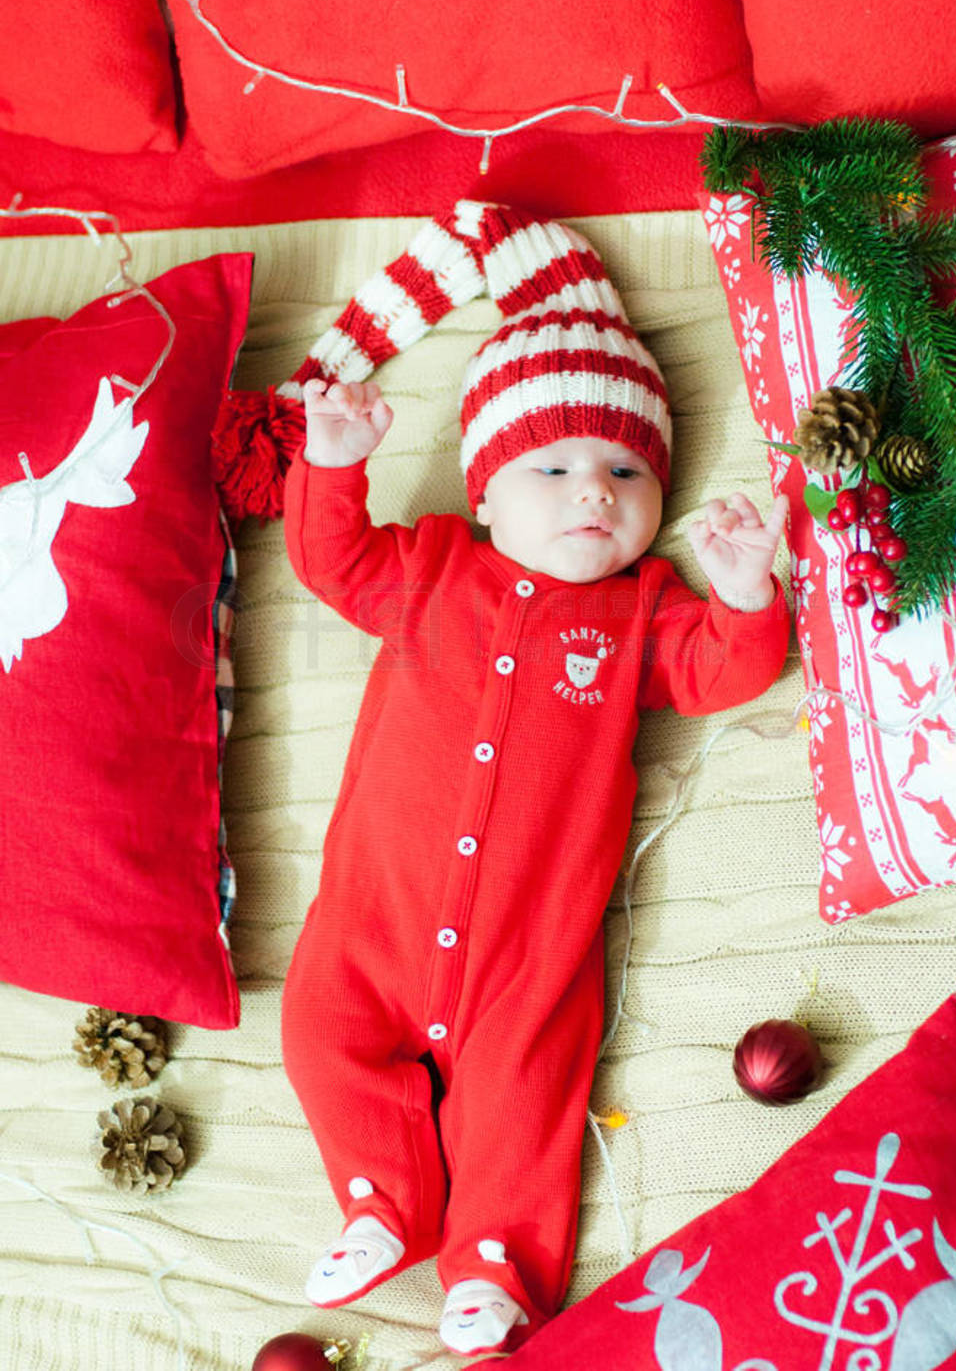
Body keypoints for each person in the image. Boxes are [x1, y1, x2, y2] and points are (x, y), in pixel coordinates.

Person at [281, 201, 790, 1355]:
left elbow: (721, 670)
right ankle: (383, 1199)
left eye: (623, 466)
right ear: (483, 489)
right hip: (375, 922)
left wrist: (746, 590)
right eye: (551, 464)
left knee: (529, 1098)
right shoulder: (428, 567)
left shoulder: (639, 612)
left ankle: (496, 1264)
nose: (593, 490)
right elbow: (330, 559)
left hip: (528, 950)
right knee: (317, 1026)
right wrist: (334, 461)